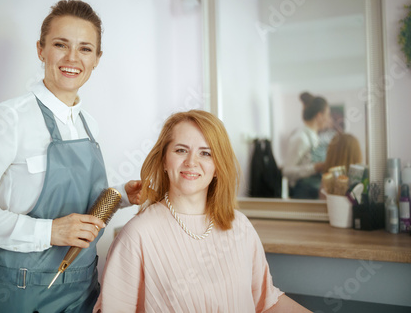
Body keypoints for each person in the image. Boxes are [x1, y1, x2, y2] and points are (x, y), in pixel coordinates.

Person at [0, 0, 141, 312]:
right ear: (41, 50)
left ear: (97, 59)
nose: (72, 58)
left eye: (85, 49)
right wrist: (49, 232)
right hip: (23, 291)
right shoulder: (9, 118)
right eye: (60, 45)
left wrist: (122, 194)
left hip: (83, 288)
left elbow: (82, 209)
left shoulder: (89, 124)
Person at [94, 110, 310, 312]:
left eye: (205, 153)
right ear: (163, 161)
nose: (191, 162)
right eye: (181, 150)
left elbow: (266, 300)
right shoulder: (137, 235)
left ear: (217, 167)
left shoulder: (239, 225)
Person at [283, 92, 332, 199]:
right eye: (327, 114)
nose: (329, 119)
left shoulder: (316, 137)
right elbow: (287, 171)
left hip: (315, 192)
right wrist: (314, 168)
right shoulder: (301, 138)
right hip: (302, 194)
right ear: (319, 116)